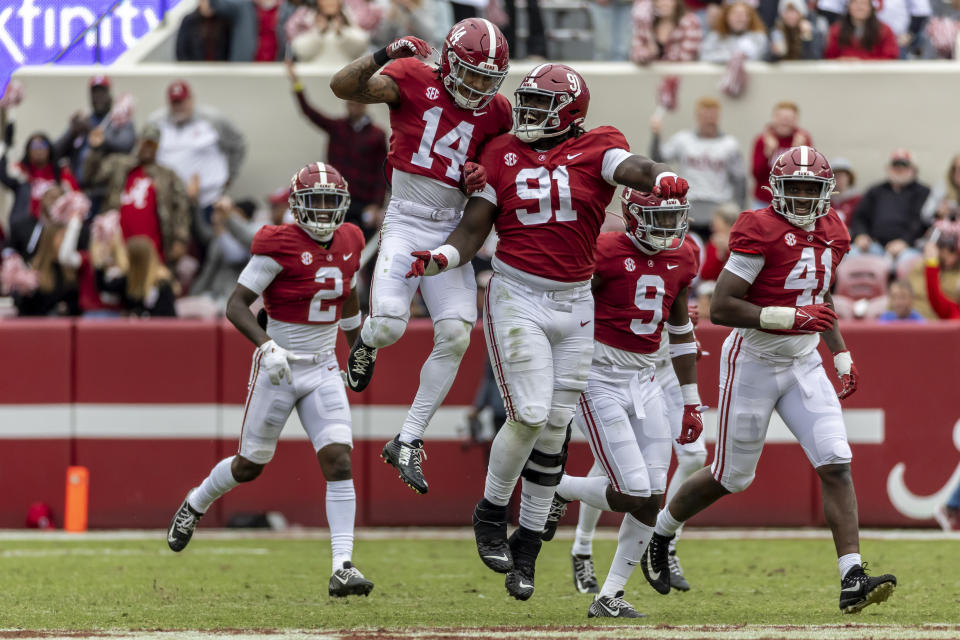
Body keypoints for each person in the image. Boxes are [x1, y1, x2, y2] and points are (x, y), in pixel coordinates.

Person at [406, 62, 689, 601]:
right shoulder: (501, 152)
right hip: (519, 295)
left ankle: (529, 547)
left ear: (571, 114)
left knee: (557, 427)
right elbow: (472, 229)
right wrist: (442, 258)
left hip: (575, 301)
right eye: (527, 102)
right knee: (531, 414)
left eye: (542, 106)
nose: (529, 113)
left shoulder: (599, 145)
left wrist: (660, 177)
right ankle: (490, 509)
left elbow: (633, 167)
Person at [641, 146, 898, 614]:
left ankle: (852, 576)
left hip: (802, 362)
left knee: (837, 462)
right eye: (793, 188)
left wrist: (839, 352)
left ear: (826, 193)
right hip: (754, 360)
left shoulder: (835, 231)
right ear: (776, 190)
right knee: (731, 477)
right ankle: (660, 531)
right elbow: (722, 307)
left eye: (810, 189)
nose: (801, 198)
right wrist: (790, 316)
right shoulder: (758, 228)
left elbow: (817, 298)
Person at [166, 162, 374, 598]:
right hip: (278, 365)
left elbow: (348, 289)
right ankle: (197, 501)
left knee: (338, 459)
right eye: (313, 202)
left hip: (321, 366)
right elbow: (237, 304)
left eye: (329, 203)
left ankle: (343, 565)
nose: (321, 212)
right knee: (250, 466)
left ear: (343, 206)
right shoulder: (277, 244)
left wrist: (357, 344)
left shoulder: (352, 238)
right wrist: (266, 346)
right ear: (297, 207)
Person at [330, 21, 512, 495]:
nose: (477, 87)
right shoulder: (413, 77)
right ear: (449, 63)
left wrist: (481, 172)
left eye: (486, 78)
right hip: (408, 219)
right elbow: (341, 86)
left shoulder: (497, 112)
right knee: (389, 324)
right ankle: (365, 341)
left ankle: (408, 439)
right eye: (469, 74)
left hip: (453, 229)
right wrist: (384, 52)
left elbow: (500, 163)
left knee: (455, 334)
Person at [538, 189, 703, 617]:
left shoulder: (683, 257)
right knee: (631, 490)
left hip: (648, 380)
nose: (668, 230)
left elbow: (682, 333)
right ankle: (558, 487)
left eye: (674, 219)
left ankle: (609, 595)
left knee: (652, 495)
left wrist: (690, 401)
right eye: (657, 219)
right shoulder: (605, 250)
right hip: (599, 378)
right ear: (632, 216)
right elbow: (566, 306)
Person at [286, 60, 388, 238]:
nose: (352, 108)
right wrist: (296, 84)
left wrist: (376, 204)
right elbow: (309, 112)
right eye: (349, 104)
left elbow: (383, 171)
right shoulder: (338, 127)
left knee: (363, 245)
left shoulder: (377, 135)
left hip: (364, 201)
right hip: (337, 197)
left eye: (356, 104)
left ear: (364, 105)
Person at [83, 124, 192, 266]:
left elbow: (181, 208)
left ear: (158, 147)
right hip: (117, 248)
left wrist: (180, 239)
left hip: (153, 250)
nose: (147, 148)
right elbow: (90, 178)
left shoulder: (168, 175)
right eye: (144, 143)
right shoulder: (119, 164)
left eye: (151, 144)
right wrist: (95, 149)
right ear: (137, 143)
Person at [650, 96, 746, 232]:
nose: (709, 120)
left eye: (713, 116)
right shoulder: (683, 140)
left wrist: (740, 210)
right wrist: (656, 134)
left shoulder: (730, 144)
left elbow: (739, 179)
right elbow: (658, 159)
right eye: (705, 116)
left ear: (718, 117)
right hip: (690, 205)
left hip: (719, 207)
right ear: (697, 117)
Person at [150, 80, 247, 212]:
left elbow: (238, 145)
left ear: (191, 100)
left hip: (208, 199)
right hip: (169, 201)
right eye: (175, 103)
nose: (179, 107)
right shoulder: (155, 122)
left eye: (182, 102)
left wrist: (229, 177)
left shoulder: (213, 119)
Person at [850, 149, 931, 267]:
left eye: (904, 165)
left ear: (914, 169)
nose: (899, 169)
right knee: (851, 255)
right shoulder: (875, 191)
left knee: (908, 263)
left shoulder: (923, 192)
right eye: (895, 165)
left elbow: (922, 222)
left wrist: (905, 242)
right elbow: (859, 217)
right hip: (874, 245)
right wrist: (861, 235)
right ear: (888, 168)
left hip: (908, 248)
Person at [54, 76, 136, 188]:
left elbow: (126, 145)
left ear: (109, 95)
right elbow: (54, 152)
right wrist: (73, 132)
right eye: (94, 93)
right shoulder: (84, 119)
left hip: (106, 189)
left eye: (102, 92)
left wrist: (92, 131)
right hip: (79, 188)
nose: (98, 97)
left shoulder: (119, 120)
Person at [751, 101, 812, 210]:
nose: (785, 122)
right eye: (781, 118)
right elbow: (756, 174)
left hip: (793, 201)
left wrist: (800, 152)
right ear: (774, 118)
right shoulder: (762, 140)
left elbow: (809, 175)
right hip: (765, 201)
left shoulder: (803, 140)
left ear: (796, 120)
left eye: (789, 118)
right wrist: (767, 154)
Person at [288, 0, 371, 64]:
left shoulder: (351, 17)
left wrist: (341, 33)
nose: (329, 2)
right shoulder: (306, 19)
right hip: (314, 75)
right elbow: (300, 50)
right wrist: (319, 33)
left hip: (344, 75)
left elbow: (361, 45)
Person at [630, 0, 704, 64]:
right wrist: (647, 53)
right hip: (651, 78)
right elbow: (635, 52)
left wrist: (655, 57)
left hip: (681, 77)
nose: (664, 3)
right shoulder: (646, 23)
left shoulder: (690, 23)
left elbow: (686, 57)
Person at [823, 0, 900, 59]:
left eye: (864, 3)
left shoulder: (885, 30)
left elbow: (891, 57)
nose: (859, 7)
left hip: (875, 75)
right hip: (844, 75)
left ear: (871, 8)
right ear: (849, 6)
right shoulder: (836, 30)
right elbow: (829, 56)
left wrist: (862, 62)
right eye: (855, 3)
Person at [700, 2, 770, 63]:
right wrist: (730, 56)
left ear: (750, 18)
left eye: (743, 15)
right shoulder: (715, 36)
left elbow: (758, 57)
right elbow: (703, 56)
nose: (739, 19)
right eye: (735, 15)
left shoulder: (759, 37)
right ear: (726, 17)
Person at [922, 225, 960, 319]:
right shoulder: (952, 309)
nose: (952, 257)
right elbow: (935, 296)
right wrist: (931, 263)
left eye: (953, 251)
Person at [921, 153, 960, 222]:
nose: (957, 172)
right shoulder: (944, 185)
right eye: (955, 169)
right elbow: (925, 215)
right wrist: (938, 213)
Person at [830, 157, 861, 228]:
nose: (839, 179)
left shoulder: (857, 200)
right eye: (835, 176)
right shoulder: (824, 200)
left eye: (843, 175)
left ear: (849, 177)